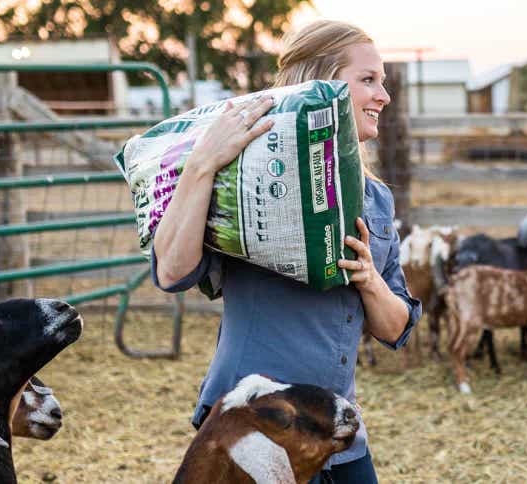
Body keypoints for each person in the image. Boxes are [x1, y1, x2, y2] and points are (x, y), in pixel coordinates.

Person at [150, 20, 419, 484]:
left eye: (383, 82)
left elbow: (395, 330)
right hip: (254, 428)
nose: (384, 96)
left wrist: (371, 279)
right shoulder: (247, 181)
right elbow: (172, 272)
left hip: (336, 430)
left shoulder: (375, 200)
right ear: (324, 86)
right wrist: (202, 164)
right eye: (368, 80)